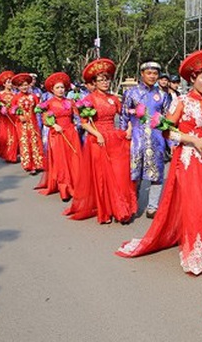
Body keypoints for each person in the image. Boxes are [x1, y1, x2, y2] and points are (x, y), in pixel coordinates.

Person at [117, 49, 202, 275]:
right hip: (189, 159)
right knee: (196, 205)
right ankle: (194, 252)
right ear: (192, 78)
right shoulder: (180, 102)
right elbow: (165, 131)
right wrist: (190, 139)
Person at [65, 59, 136, 224]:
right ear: (93, 83)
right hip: (98, 139)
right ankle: (106, 209)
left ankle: (122, 207)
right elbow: (84, 122)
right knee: (102, 176)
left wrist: (130, 128)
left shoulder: (115, 99)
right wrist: (97, 134)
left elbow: (125, 115)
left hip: (115, 138)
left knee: (119, 175)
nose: (105, 82)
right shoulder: (88, 100)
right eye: (101, 80)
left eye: (107, 79)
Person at [121, 61, 171, 218]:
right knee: (134, 173)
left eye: (155, 74)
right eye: (149, 73)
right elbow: (124, 116)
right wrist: (124, 135)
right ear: (142, 74)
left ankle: (152, 207)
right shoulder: (131, 93)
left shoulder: (163, 95)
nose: (152, 76)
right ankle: (132, 203)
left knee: (156, 174)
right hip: (136, 139)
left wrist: (171, 142)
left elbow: (168, 119)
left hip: (157, 140)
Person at [35, 72, 84, 201]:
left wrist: (76, 125)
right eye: (57, 88)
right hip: (57, 134)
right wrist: (53, 125)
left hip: (71, 133)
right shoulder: (48, 103)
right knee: (61, 161)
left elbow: (77, 117)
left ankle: (76, 185)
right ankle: (64, 189)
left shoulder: (70, 101)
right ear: (52, 89)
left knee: (74, 159)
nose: (60, 90)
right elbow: (45, 119)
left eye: (62, 87)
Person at [10, 73, 45, 175]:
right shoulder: (16, 98)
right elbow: (12, 110)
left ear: (29, 85)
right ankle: (29, 165)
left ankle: (38, 163)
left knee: (35, 141)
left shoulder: (33, 96)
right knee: (25, 142)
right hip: (22, 124)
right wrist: (19, 116)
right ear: (18, 87)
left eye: (25, 85)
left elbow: (39, 108)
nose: (24, 87)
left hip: (33, 122)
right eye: (21, 85)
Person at [0, 70, 19, 164]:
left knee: (15, 136)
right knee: (7, 136)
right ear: (4, 84)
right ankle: (8, 155)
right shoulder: (0, 94)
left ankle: (13, 154)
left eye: (11, 82)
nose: (10, 84)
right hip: (5, 118)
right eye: (8, 82)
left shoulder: (15, 94)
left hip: (14, 117)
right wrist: (1, 108)